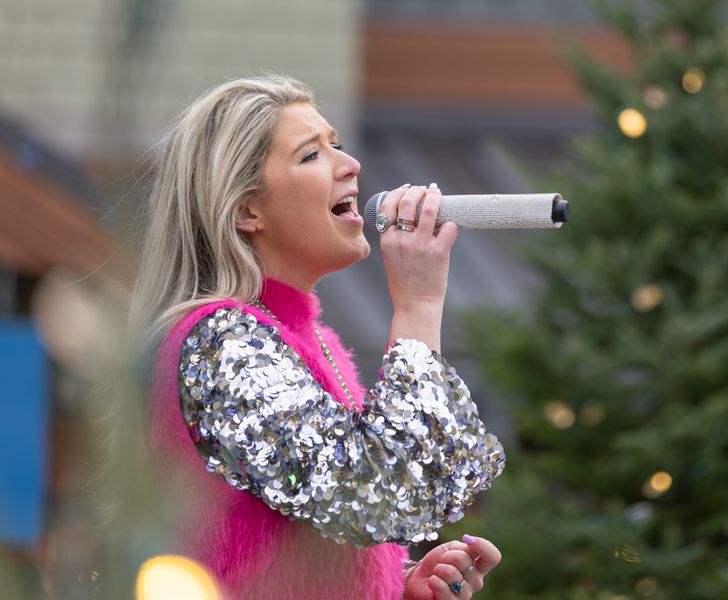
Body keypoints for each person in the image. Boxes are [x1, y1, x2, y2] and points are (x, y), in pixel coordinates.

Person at [129, 75, 505, 600]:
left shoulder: (312, 340)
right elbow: (376, 497)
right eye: (311, 155)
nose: (350, 165)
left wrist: (398, 586)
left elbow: (344, 517)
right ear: (245, 210)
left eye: (338, 145)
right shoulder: (220, 341)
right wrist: (418, 304)